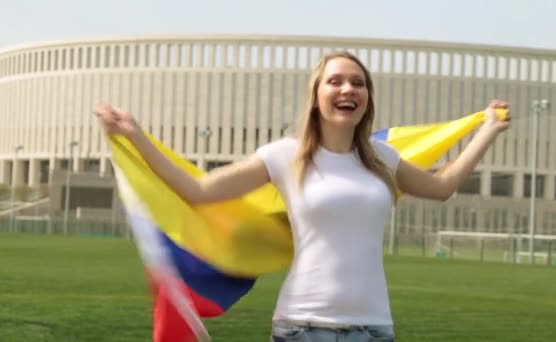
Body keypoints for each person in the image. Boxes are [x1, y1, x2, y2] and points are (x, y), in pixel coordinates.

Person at [95, 51, 510, 342]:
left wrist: (487, 130)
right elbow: (199, 191)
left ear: (367, 98)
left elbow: (442, 188)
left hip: (373, 327)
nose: (348, 88)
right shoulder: (283, 156)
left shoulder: (384, 158)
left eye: (358, 83)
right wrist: (136, 135)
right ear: (317, 95)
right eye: (336, 80)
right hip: (301, 326)